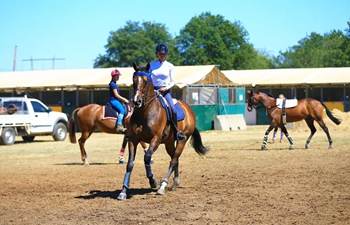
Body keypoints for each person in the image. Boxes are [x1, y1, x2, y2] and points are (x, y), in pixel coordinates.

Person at [149, 43, 187, 142]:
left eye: (164, 54)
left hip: (164, 91)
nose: (162, 55)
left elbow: (173, 81)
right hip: (152, 91)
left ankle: (176, 131)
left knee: (173, 109)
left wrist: (166, 88)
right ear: (156, 54)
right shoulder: (151, 65)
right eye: (160, 54)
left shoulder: (170, 66)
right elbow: (148, 79)